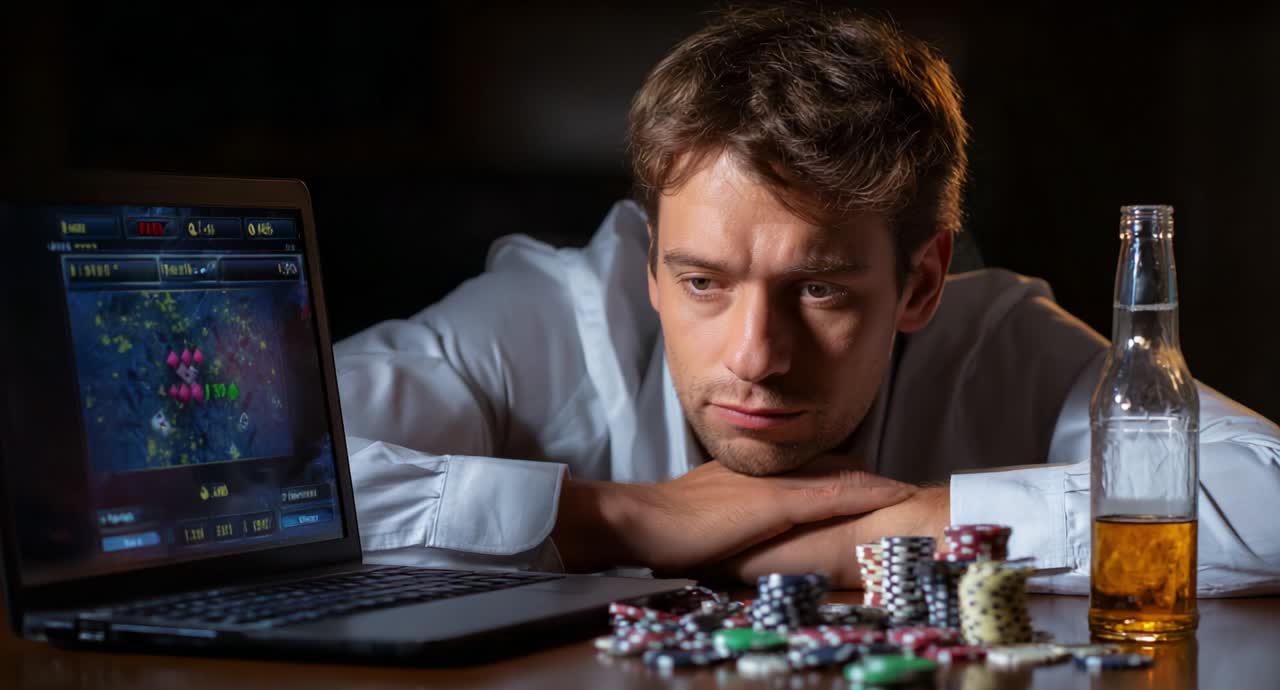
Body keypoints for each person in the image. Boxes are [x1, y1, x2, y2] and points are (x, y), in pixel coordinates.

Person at [332, 6, 1280, 595]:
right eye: (702, 282)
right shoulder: (539, 321)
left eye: (819, 288)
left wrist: (886, 533)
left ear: (920, 282)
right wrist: (623, 519)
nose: (755, 355)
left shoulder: (997, 340)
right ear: (651, 266)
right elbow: (239, 476)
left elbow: (1268, 497)